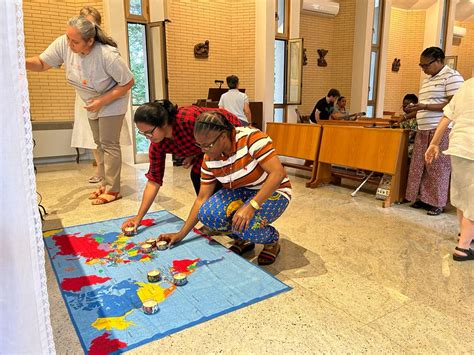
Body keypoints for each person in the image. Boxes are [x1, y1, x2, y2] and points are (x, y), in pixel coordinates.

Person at [156, 111, 292, 265]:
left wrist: (251, 206)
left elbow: (277, 173)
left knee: (246, 225)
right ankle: (243, 240)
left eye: (208, 145)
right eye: (199, 145)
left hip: (273, 189)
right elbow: (202, 198)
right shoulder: (209, 158)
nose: (203, 150)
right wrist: (180, 234)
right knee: (207, 214)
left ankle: (271, 240)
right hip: (241, 190)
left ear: (222, 136)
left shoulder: (251, 138)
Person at [26, 16, 134, 205]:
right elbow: (42, 63)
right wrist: (20, 62)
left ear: (90, 41)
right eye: (68, 38)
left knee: (109, 144)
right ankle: (104, 184)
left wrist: (102, 100)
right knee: (99, 144)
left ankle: (113, 189)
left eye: (74, 41)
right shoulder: (64, 43)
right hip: (93, 100)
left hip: (112, 100)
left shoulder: (107, 55)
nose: (69, 44)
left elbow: (128, 82)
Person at [120, 100, 241, 232]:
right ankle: (217, 218)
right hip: (206, 150)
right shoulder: (157, 145)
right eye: (143, 134)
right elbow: (153, 181)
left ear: (163, 123)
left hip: (227, 134)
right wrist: (139, 217)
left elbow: (212, 134)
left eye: (149, 132)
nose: (147, 137)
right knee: (197, 175)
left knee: (225, 178)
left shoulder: (188, 119)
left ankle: (236, 220)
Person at [72, 7, 132, 184]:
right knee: (95, 138)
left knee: (108, 140)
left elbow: (126, 80)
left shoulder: (106, 50)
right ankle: (101, 170)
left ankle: (111, 182)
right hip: (86, 96)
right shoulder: (73, 47)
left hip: (108, 96)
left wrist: (104, 98)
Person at [404, 47, 464, 216]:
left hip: (440, 130)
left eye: (425, 65)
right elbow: (426, 103)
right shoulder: (428, 80)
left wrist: (425, 106)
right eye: (420, 65)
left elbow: (454, 106)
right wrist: (414, 110)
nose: (423, 69)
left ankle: (437, 202)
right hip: (423, 129)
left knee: (438, 167)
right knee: (421, 165)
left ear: (438, 61)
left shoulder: (452, 77)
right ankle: (423, 198)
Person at [425, 78, 473, 261]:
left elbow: (447, 116)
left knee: (462, 195)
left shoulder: (467, 85)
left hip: (458, 145)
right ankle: (463, 248)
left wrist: (434, 143)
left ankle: (465, 234)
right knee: (472, 200)